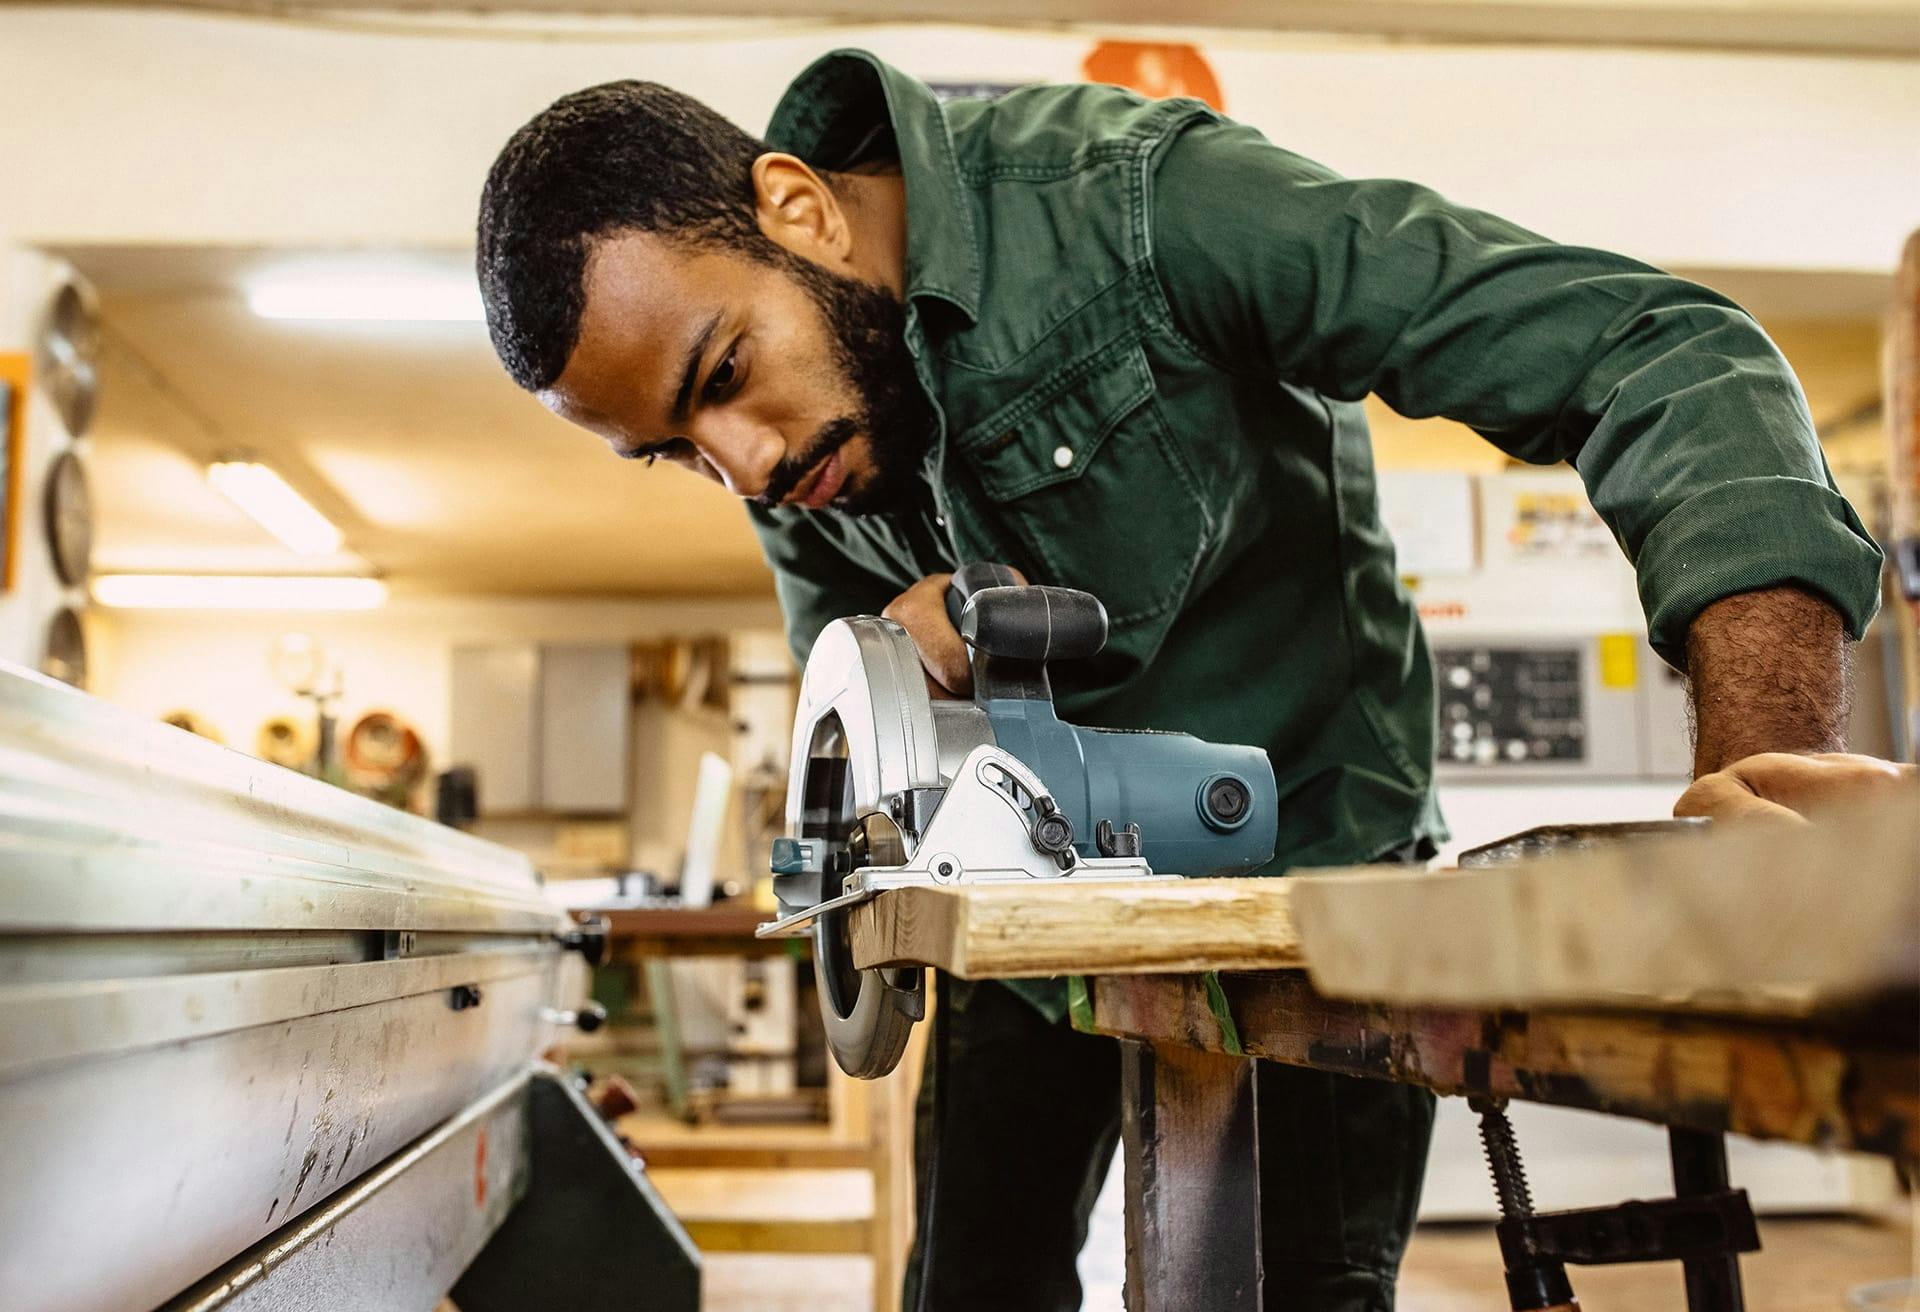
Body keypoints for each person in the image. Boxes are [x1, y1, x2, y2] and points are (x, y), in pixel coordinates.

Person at [475, 50, 1893, 1310]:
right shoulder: (792, 447)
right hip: (1023, 928)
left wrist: (1764, 775)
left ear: (797, 206)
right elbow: (856, 697)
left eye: (726, 371)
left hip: (1313, 896)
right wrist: (904, 677)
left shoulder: (1144, 206)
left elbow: (1660, 355)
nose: (747, 466)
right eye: (677, 449)